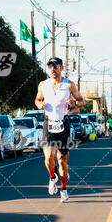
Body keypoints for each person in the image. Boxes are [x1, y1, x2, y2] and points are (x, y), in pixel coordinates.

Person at [34, 57, 85, 202]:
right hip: (48, 123)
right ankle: (52, 177)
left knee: (62, 160)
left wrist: (73, 103)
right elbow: (37, 99)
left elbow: (82, 102)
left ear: (61, 68)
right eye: (50, 66)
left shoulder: (69, 85)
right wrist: (39, 104)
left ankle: (63, 190)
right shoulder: (43, 85)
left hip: (63, 124)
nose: (52, 69)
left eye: (55, 66)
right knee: (48, 156)